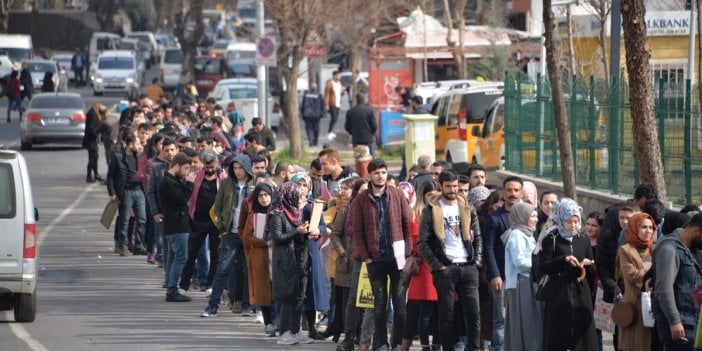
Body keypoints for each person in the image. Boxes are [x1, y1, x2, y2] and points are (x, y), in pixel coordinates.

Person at [418, 170, 482, 351]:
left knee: (474, 313)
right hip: (446, 269)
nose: (453, 190)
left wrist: (476, 262)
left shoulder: (467, 207)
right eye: (449, 186)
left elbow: (477, 237)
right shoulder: (432, 210)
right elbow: (422, 243)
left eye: (455, 186)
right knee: (447, 315)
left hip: (468, 266)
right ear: (441, 186)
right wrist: (438, 265)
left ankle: (475, 348)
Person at [352, 158, 411, 351]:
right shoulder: (361, 199)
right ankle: (381, 343)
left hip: (398, 259)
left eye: (383, 172)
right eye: (376, 172)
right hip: (375, 260)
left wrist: (407, 252)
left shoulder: (397, 194)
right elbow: (358, 232)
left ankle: (397, 344)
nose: (380, 176)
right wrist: (367, 257)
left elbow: (406, 225)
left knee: (400, 306)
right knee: (379, 305)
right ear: (370, 175)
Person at [540, 198, 598, 351]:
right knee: (557, 334)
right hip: (559, 294)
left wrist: (589, 264)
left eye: (576, 222)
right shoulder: (551, 239)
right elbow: (544, 266)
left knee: (583, 335)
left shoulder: (584, 240)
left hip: (581, 293)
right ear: (560, 219)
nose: (573, 226)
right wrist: (563, 259)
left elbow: (593, 271)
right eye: (569, 222)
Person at [202, 154, 254, 316]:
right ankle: (212, 306)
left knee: (248, 271)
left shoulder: (254, 185)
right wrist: (221, 226)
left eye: (241, 168)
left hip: (248, 235)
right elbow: (216, 208)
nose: (238, 171)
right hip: (229, 233)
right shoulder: (226, 184)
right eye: (235, 168)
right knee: (223, 269)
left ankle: (246, 305)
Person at [270, 182, 315, 346]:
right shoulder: (277, 214)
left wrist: (307, 232)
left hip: (300, 260)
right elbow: (277, 237)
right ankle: (284, 332)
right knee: (288, 297)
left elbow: (298, 237)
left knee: (300, 297)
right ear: (289, 196)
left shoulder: (296, 213)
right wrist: (297, 231)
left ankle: (296, 331)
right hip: (286, 261)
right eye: (297, 196)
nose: (300, 199)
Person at [484, 176, 524, 351]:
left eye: (516, 190)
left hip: (524, 276)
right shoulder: (494, 218)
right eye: (509, 190)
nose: (513, 194)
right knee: (501, 317)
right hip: (503, 275)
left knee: (523, 316)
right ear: (503, 192)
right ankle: (500, 347)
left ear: (521, 192)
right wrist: (494, 274)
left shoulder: (528, 215)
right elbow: (489, 248)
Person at [653, 213, 702, 349]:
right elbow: (664, 289)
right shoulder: (669, 248)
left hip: (693, 321)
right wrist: (674, 320)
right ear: (696, 232)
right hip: (678, 325)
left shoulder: (692, 250)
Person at [179, 150, 225, 292]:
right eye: (207, 167)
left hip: (216, 222)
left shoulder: (223, 178)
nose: (210, 170)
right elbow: (189, 197)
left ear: (216, 163)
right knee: (191, 253)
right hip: (197, 221)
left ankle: (211, 285)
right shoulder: (196, 176)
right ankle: (183, 285)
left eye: (212, 166)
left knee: (215, 255)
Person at [402, 180, 440, 351]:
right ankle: (425, 346)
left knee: (439, 312)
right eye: (429, 195)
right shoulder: (414, 215)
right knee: (423, 311)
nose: (432, 198)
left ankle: (436, 345)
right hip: (424, 268)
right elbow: (416, 241)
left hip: (438, 266)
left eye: (435, 194)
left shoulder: (440, 212)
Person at [328, 177, 364, 345]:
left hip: (365, 261)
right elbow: (335, 233)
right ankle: (349, 333)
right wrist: (343, 252)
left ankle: (361, 333)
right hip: (347, 262)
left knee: (363, 300)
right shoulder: (346, 209)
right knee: (348, 300)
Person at [503, 202, 542, 351]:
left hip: (528, 282)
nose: (535, 219)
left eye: (536, 216)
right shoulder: (517, 235)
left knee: (530, 323)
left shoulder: (526, 234)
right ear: (522, 216)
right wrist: (539, 264)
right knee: (524, 322)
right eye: (532, 216)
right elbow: (519, 261)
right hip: (521, 283)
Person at [337, 179, 371, 351]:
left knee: (373, 300)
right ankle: (349, 337)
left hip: (378, 257)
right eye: (362, 190)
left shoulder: (378, 203)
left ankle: (367, 337)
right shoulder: (353, 207)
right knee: (354, 298)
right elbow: (347, 229)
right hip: (358, 256)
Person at [240, 182, 277, 337]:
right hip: (260, 256)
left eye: (267, 195)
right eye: (260, 195)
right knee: (264, 291)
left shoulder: (278, 213)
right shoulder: (252, 215)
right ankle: (268, 323)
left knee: (276, 289)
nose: (264, 198)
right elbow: (246, 237)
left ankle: (277, 321)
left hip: (275, 255)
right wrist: (262, 242)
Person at [158, 152, 195, 302]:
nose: (187, 173)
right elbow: (182, 199)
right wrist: (191, 184)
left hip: (176, 224)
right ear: (177, 166)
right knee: (181, 257)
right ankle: (172, 290)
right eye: (186, 168)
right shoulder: (168, 182)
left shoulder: (173, 180)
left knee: (174, 257)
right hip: (176, 225)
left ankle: (170, 286)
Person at [617, 212, 656, 351]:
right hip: (635, 304)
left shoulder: (654, 248)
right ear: (635, 228)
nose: (648, 231)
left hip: (654, 302)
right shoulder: (626, 249)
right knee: (636, 344)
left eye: (651, 228)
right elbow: (631, 274)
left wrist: (647, 273)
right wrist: (652, 272)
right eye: (644, 227)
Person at [107, 134, 146, 256]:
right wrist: (113, 193)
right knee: (125, 220)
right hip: (126, 192)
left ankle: (138, 246)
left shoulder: (139, 157)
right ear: (130, 144)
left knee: (142, 219)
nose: (140, 146)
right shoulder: (118, 157)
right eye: (137, 143)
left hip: (139, 191)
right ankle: (123, 246)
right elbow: (110, 176)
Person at [83, 102, 104, 183]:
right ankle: (89, 176)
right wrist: (96, 136)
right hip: (91, 140)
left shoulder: (93, 114)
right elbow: (92, 127)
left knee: (95, 157)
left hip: (91, 140)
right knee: (92, 158)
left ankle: (96, 174)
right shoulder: (92, 115)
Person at [301, 83, 325, 147]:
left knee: (309, 128)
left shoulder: (306, 95)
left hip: (307, 115)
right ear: (316, 88)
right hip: (316, 115)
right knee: (316, 128)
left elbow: (303, 105)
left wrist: (302, 114)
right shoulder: (319, 95)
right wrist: (322, 113)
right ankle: (315, 141)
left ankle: (310, 140)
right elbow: (322, 105)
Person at [324, 71, 345, 141]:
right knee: (334, 118)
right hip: (332, 103)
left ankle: (331, 131)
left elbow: (339, 92)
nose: (340, 77)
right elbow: (327, 95)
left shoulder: (339, 83)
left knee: (335, 119)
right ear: (334, 76)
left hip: (338, 103)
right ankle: (329, 132)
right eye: (339, 75)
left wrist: (343, 93)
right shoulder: (330, 83)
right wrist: (326, 104)